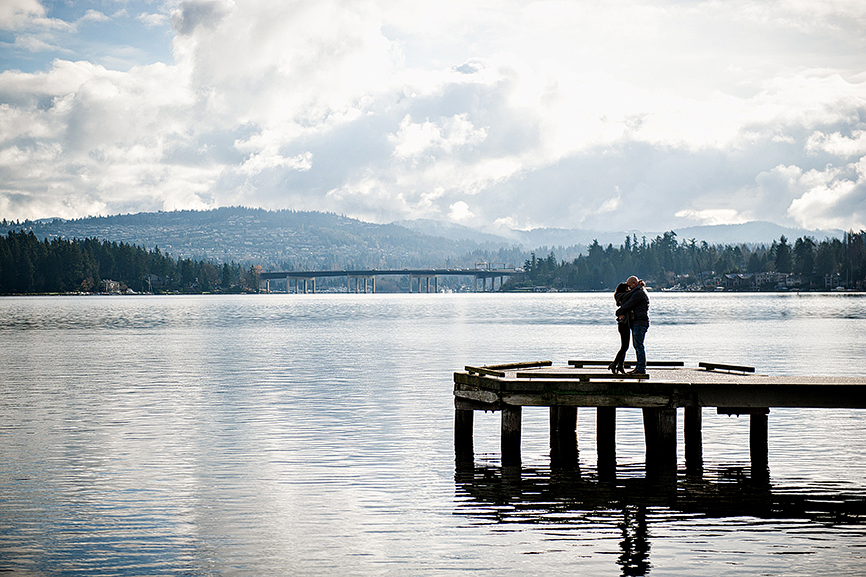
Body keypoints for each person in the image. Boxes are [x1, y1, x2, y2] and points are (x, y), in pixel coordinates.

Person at [615, 276, 649, 375]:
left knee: (638, 345)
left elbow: (629, 304)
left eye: (630, 286)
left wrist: (618, 312)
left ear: (635, 283)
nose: (629, 289)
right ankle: (639, 367)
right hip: (638, 322)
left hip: (639, 322)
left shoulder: (638, 293)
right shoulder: (639, 291)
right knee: (637, 345)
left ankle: (641, 368)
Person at [608, 282, 631, 374]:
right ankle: (614, 364)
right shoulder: (621, 296)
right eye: (627, 288)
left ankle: (620, 366)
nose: (629, 290)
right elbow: (629, 295)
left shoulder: (621, 296)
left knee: (625, 346)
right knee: (624, 347)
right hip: (623, 325)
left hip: (624, 324)